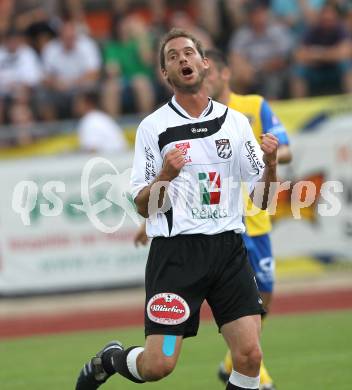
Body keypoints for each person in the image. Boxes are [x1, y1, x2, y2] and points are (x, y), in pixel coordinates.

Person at [75, 28, 279, 390]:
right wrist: (166, 174)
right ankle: (109, 359)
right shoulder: (153, 128)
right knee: (159, 364)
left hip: (229, 251)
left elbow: (264, 200)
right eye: (172, 56)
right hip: (177, 258)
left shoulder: (236, 124)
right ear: (166, 75)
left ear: (204, 63)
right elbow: (143, 206)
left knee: (250, 357)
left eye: (188, 52)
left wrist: (273, 163)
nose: (182, 59)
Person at [204, 49, 292, 390]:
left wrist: (261, 151)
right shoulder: (204, 120)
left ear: (224, 74)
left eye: (210, 73)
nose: (205, 80)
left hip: (259, 220)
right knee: (245, 303)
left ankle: (231, 364)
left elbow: (286, 148)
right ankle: (258, 374)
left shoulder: (254, 106)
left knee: (265, 297)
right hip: (228, 223)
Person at [74, 89, 127, 154]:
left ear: (88, 103)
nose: (75, 106)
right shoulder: (101, 117)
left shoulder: (90, 120)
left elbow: (92, 151)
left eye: (78, 102)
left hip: (111, 160)